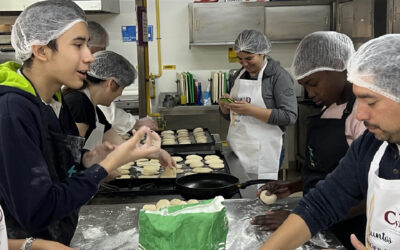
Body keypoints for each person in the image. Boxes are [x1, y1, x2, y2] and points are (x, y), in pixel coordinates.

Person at [0, 0, 171, 246]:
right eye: (78, 45)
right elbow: (36, 212)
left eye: (87, 45)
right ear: (41, 51)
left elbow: (55, 179)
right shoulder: (12, 111)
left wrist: (85, 164)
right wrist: (107, 164)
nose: (90, 57)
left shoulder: (53, 103)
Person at [260, 34, 400, 250]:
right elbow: (322, 204)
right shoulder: (370, 146)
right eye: (358, 99)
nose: (360, 114)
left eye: (371, 102)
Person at [219, 29, 297, 180]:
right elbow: (235, 118)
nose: (244, 63)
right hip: (238, 147)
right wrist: (225, 108)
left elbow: (289, 116)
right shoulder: (239, 75)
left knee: (260, 195)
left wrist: (250, 110)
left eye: (249, 58)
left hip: (265, 151)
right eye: (240, 59)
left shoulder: (279, 77)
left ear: (263, 53)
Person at [87, 21, 158, 134]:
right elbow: (110, 118)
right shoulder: (79, 101)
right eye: (101, 49)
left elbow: (107, 126)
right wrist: (135, 123)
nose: (101, 54)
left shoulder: (86, 96)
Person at [63, 50, 135, 149]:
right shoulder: (79, 104)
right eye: (122, 88)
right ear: (111, 83)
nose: (120, 93)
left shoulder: (93, 108)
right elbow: (70, 155)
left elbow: (119, 143)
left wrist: (155, 152)